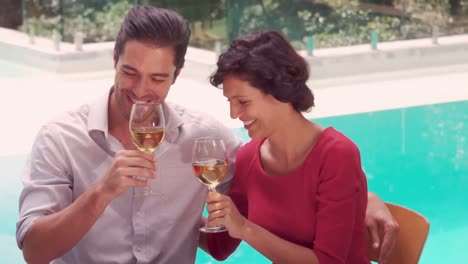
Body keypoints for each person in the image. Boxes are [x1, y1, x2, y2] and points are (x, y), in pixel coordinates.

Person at [16, 5, 397, 264]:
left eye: (158, 78)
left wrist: (362, 197)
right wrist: (101, 192)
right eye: (130, 71)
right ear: (114, 59)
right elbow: (33, 250)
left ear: (177, 75)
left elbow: (287, 179)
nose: (140, 89)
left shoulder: (205, 139)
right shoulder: (60, 138)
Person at [202, 30, 396, 264]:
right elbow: (220, 247)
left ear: (280, 92)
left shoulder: (336, 155)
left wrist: (244, 228)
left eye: (243, 102)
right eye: (230, 103)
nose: (234, 114)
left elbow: (329, 261)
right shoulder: (248, 158)